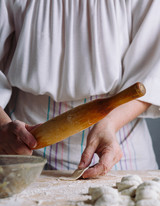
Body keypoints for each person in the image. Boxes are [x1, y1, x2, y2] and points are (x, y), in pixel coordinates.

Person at [0, 0, 160, 178]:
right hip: (23, 149)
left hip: (120, 152)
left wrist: (109, 124)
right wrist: (3, 125)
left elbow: (152, 74)